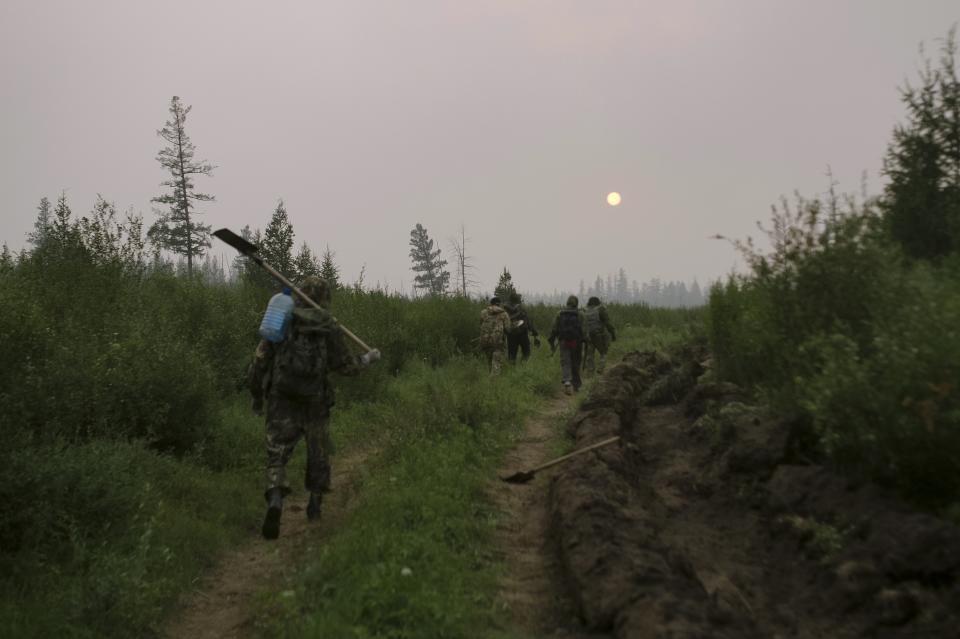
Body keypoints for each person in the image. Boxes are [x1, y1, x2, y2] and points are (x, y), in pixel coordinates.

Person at [248, 276, 366, 540]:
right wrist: (367, 359)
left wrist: (256, 395)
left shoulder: (282, 316)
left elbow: (260, 360)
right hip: (315, 400)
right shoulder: (328, 325)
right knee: (318, 453)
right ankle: (315, 506)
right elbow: (346, 366)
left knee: (277, 452)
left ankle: (276, 499)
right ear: (325, 296)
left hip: (282, 397)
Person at [548, 295, 588, 395]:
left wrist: (552, 341)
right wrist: (585, 339)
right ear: (576, 303)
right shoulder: (581, 314)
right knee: (576, 362)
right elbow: (584, 330)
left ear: (567, 302)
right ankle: (577, 385)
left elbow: (554, 329)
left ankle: (567, 382)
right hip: (576, 342)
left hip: (563, 341)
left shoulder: (560, 313)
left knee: (565, 362)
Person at [503, 292, 541, 363]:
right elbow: (528, 322)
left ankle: (512, 370)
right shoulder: (521, 309)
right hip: (523, 334)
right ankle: (522, 367)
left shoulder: (505, 310)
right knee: (526, 353)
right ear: (518, 300)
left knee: (511, 355)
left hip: (511, 335)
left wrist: (504, 333)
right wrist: (535, 333)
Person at [583, 296, 617, 374]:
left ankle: (590, 371)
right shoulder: (600, 310)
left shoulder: (585, 311)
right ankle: (601, 368)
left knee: (590, 354)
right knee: (603, 352)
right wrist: (613, 334)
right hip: (599, 335)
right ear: (598, 302)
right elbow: (608, 324)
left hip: (588, 336)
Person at [479, 296, 511, 375]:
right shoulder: (504, 314)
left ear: (491, 303)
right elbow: (508, 328)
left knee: (490, 362)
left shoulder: (483, 312)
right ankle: (494, 383)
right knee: (496, 363)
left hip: (485, 341)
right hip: (498, 342)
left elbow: (481, 324)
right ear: (499, 304)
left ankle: (490, 381)